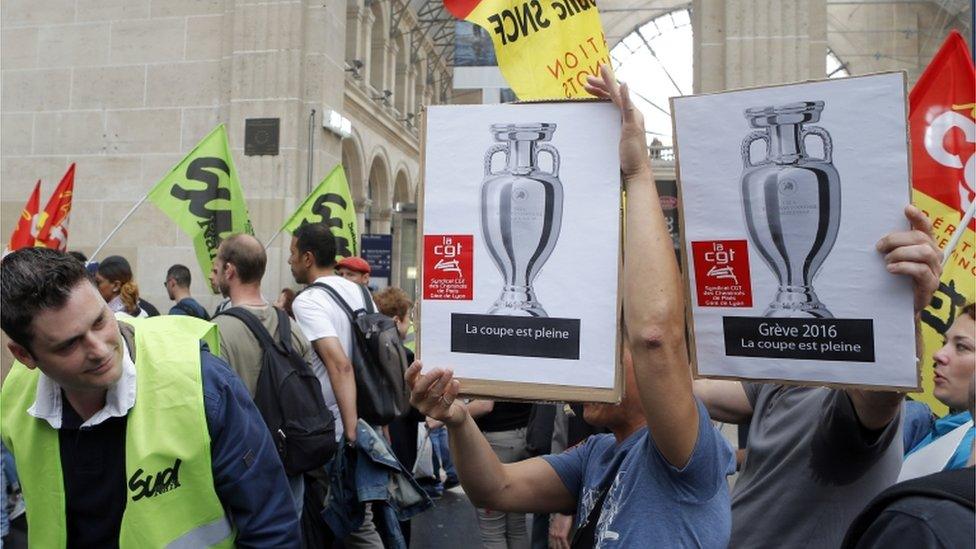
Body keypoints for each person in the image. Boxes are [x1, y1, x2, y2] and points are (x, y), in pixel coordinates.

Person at [407, 65, 736, 548]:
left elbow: (654, 337)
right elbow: (495, 486)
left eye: (613, 343)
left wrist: (638, 173)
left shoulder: (688, 452)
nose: (596, 363)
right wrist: (457, 419)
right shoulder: (599, 453)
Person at [0, 248, 300, 547]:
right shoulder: (14, 399)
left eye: (100, 322)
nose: (101, 350)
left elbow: (271, 525)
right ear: (24, 355)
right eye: (69, 345)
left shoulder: (202, 381)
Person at [694, 204, 944, 548]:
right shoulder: (789, 366)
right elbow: (696, 392)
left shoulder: (852, 393)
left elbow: (880, 394)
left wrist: (900, 312)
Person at [209, 234, 322, 514]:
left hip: (241, 469)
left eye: (218, 265)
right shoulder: (291, 326)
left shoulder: (217, 331)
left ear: (230, 271)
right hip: (289, 462)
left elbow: (211, 409)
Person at [288, 222, 383, 548]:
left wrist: (351, 430)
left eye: (293, 254)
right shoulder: (360, 293)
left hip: (337, 433)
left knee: (353, 527)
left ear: (308, 258)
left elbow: (339, 363)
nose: (290, 261)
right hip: (366, 424)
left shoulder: (309, 301)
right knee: (354, 520)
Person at [899, 302, 975, 480]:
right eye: (944, 342)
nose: (939, 354)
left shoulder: (966, 449)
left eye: (961, 347)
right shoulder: (942, 430)